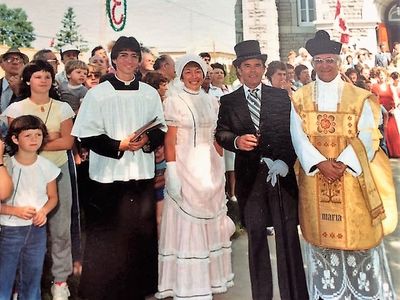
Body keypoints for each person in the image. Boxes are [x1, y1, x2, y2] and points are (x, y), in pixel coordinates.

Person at [291, 30, 396, 300]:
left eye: (330, 60)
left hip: (352, 179)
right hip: (316, 179)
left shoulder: (360, 96)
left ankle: (364, 293)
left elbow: (368, 135)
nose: (325, 66)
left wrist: (341, 163)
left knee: (357, 241)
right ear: (312, 64)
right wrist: (320, 164)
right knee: (324, 246)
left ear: (339, 62)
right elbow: (298, 136)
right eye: (319, 61)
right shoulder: (299, 98)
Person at [71, 36, 166, 300]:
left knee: (139, 236)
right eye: (123, 55)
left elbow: (160, 128)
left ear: (139, 60)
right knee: (107, 239)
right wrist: (118, 145)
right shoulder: (98, 93)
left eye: (134, 56)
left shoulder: (149, 93)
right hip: (108, 176)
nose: (129, 61)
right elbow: (86, 135)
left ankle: (139, 291)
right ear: (114, 60)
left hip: (141, 174)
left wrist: (148, 139)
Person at [215, 40, 308, 300]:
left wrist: (284, 162)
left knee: (288, 238)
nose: (253, 71)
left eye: (258, 65)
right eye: (248, 66)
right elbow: (221, 133)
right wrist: (236, 141)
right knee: (256, 240)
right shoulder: (229, 101)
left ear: (263, 68)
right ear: (239, 69)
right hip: (250, 181)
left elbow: (294, 136)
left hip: (280, 178)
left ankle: (295, 295)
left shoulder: (280, 97)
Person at [156, 54, 234, 300]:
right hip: (184, 165)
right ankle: (188, 286)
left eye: (198, 71)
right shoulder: (174, 101)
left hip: (209, 166)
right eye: (188, 72)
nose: (194, 76)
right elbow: (169, 140)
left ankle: (210, 280)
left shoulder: (211, 101)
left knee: (210, 221)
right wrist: (172, 172)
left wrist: (220, 165)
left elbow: (215, 137)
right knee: (188, 222)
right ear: (180, 74)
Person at [3, 60, 75, 300]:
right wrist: (50, 136)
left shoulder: (63, 107)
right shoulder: (16, 109)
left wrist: (41, 141)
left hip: (57, 170)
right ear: (27, 80)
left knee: (60, 228)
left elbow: (67, 142)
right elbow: (18, 144)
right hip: (24, 173)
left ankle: (60, 281)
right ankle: (16, 285)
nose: (43, 80)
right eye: (37, 76)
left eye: (47, 76)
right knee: (21, 226)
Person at [0, 115, 60, 300]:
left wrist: (44, 211)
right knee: (4, 278)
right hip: (9, 231)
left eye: (38, 135)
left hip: (36, 231)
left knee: (32, 277)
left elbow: (53, 198)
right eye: (28, 135)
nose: (34, 139)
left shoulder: (47, 166)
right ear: (15, 139)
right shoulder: (6, 166)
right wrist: (14, 211)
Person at [371, 67, 400, 158]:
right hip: (380, 111)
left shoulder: (389, 86)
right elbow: (374, 98)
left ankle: (394, 152)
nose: (381, 77)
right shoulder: (375, 86)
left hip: (390, 112)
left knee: (392, 132)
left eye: (383, 75)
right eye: (380, 75)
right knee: (383, 132)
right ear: (377, 77)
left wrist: (394, 108)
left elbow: (395, 98)